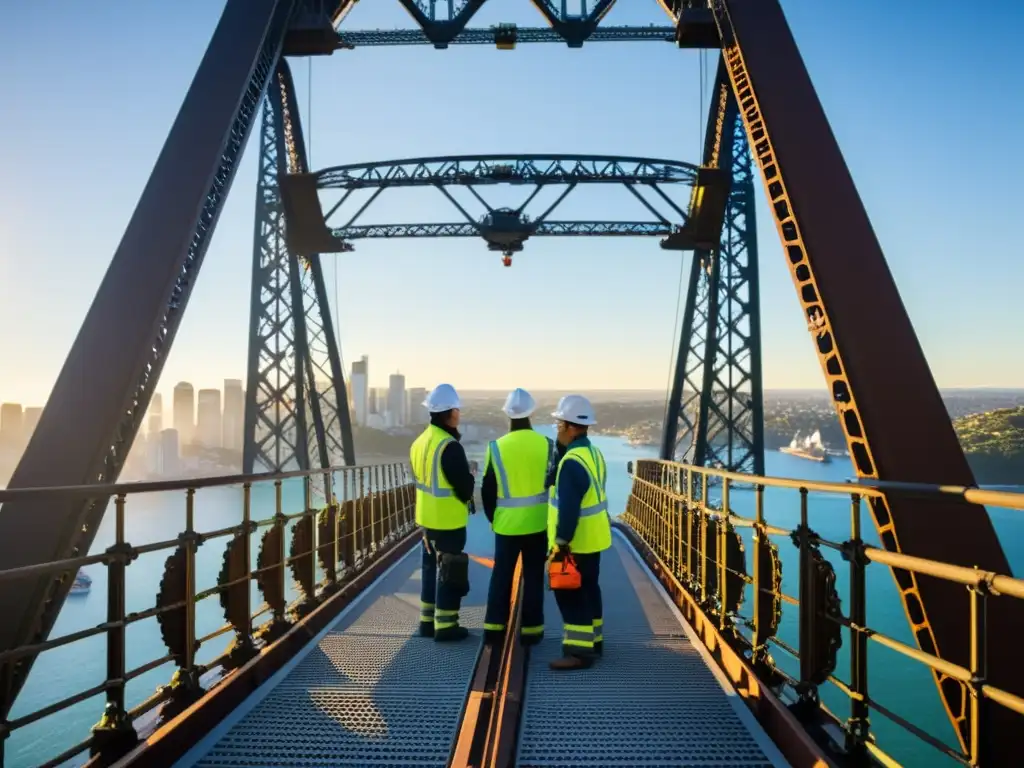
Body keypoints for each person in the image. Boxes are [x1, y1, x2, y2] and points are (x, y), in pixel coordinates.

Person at [481, 388, 555, 646]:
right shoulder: (548, 445)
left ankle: (493, 629)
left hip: (506, 526)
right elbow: (554, 484)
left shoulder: (496, 447)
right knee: (534, 576)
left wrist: (495, 518)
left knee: (501, 574)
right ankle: (532, 631)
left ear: (507, 415)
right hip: (539, 524)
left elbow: (487, 489)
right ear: (532, 413)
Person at [547, 394, 611, 670]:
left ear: (570, 426)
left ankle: (579, 653)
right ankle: (595, 642)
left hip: (576, 542)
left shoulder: (572, 463)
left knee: (569, 594)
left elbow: (569, 510)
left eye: (559, 423)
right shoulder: (592, 453)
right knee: (589, 590)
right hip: (595, 537)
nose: (557, 428)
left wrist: (561, 543)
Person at [410, 383, 476, 642]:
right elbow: (463, 488)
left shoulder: (419, 442)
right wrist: (470, 478)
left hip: (426, 519)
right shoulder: (449, 446)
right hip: (448, 520)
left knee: (429, 569)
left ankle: (427, 623)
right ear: (452, 413)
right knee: (450, 570)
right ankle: (446, 626)